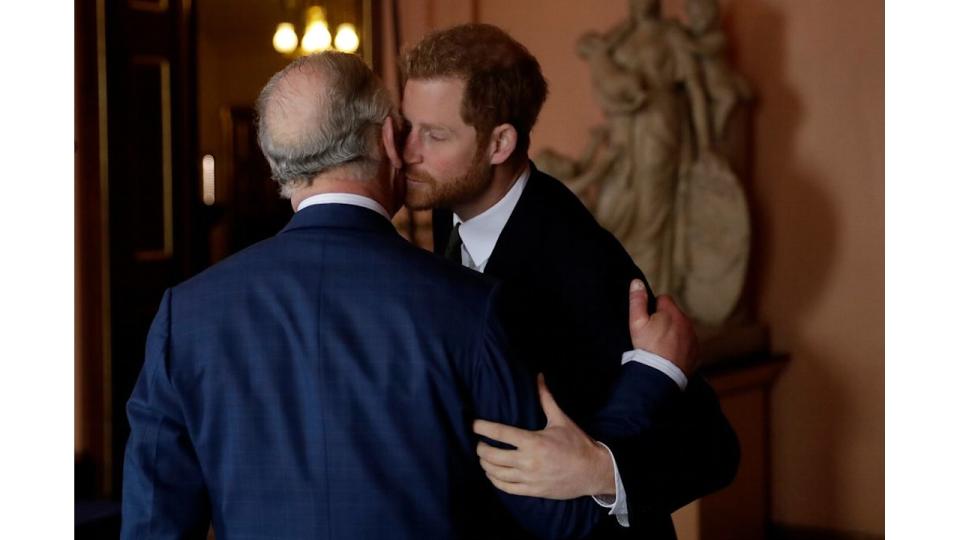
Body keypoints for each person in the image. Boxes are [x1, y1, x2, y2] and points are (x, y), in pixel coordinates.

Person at [120, 51, 696, 540]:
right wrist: (650, 375)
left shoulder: (185, 314)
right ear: (387, 140)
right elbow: (562, 515)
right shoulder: (468, 306)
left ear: (278, 167)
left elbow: (151, 525)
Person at [400, 23, 739, 539]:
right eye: (408, 126)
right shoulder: (453, 206)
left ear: (500, 143)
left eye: (435, 135)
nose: (408, 151)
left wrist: (600, 470)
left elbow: (714, 447)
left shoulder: (576, 258)